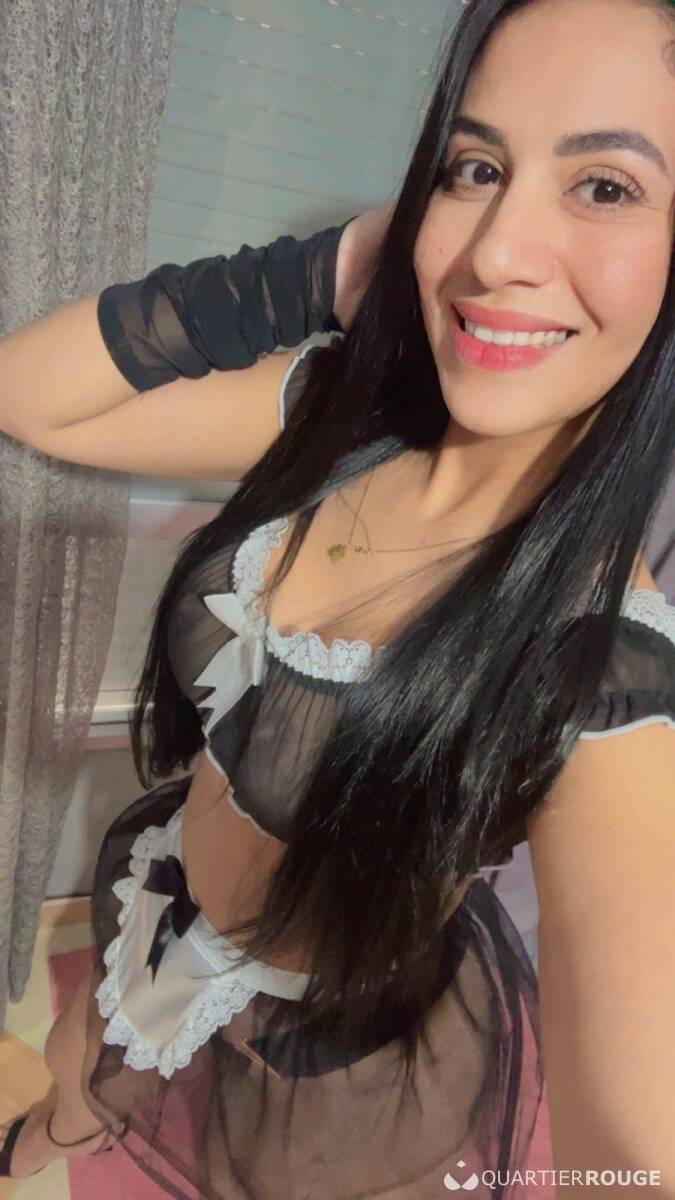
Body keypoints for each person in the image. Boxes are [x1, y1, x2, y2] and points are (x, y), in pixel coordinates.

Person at [0, 0, 673, 1195]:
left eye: (606, 187)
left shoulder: (600, 660)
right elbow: (27, 395)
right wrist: (316, 272)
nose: (495, 253)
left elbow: (638, 1140)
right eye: (475, 168)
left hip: (317, 1052)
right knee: (77, 1065)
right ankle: (48, 1137)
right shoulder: (349, 426)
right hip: (167, 902)